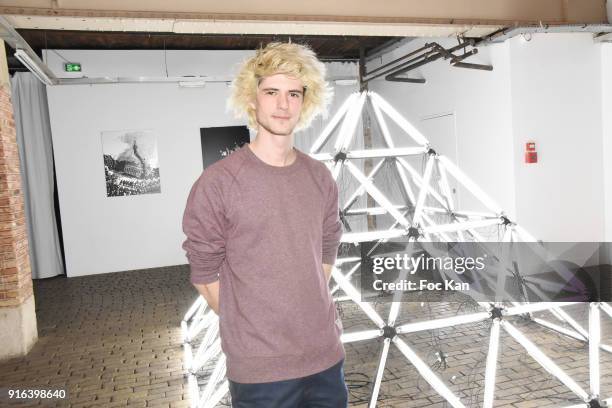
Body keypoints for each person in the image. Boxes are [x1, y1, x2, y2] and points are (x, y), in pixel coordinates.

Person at [181, 42, 347, 408]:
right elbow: (204, 272)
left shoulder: (319, 176)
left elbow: (327, 247)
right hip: (261, 372)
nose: (283, 104)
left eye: (293, 93)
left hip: (325, 357)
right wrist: (253, 323)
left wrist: (303, 305)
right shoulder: (219, 182)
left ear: (306, 102)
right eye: (271, 92)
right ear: (252, 99)